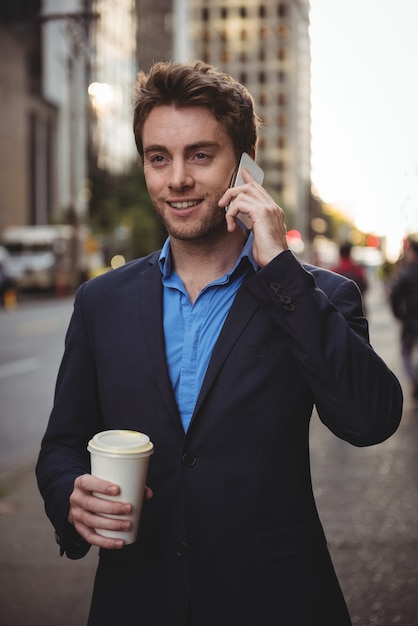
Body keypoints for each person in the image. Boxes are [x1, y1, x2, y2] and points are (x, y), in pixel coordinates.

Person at [36, 61, 403, 626]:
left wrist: (279, 267)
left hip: (275, 601)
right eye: (159, 158)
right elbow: (61, 446)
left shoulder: (315, 294)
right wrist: (70, 496)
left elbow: (370, 419)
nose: (176, 179)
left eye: (200, 155)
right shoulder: (100, 302)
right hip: (136, 600)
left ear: (244, 168)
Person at [389, 235, 418, 399]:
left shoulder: (406, 272)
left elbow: (395, 295)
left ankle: (414, 377)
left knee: (406, 352)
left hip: (411, 319)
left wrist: (399, 314)